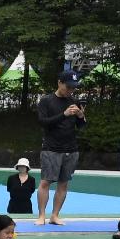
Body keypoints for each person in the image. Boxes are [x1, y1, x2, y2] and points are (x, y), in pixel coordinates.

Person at [36, 70, 86, 226]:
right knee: (45, 182)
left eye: (73, 87)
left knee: (63, 183)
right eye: (68, 86)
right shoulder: (46, 101)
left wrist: (80, 116)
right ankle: (41, 215)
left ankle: (55, 215)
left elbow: (82, 126)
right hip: (51, 148)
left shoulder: (74, 101)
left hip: (71, 148)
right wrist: (64, 114)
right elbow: (43, 122)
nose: (71, 90)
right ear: (59, 82)